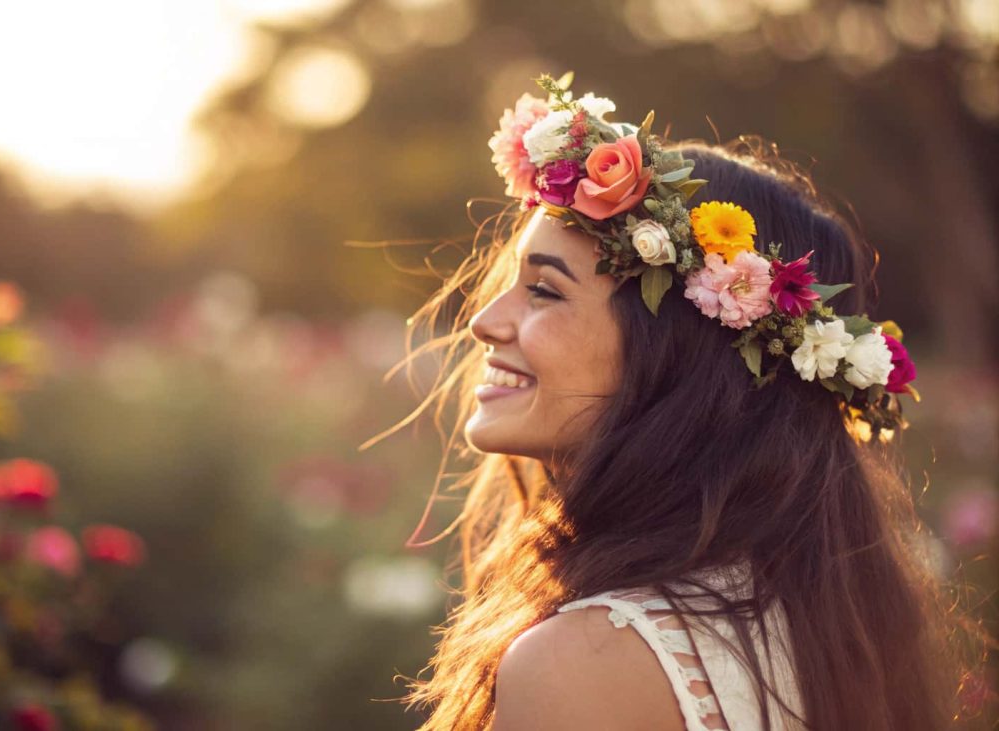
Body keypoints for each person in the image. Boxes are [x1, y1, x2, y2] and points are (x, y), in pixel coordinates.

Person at [385, 73, 986, 730]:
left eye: (545, 292)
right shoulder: (837, 633)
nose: (484, 322)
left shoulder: (579, 664)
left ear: (674, 350)